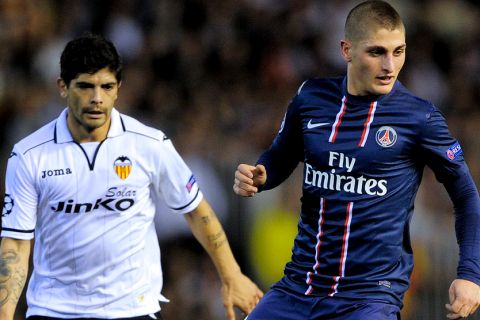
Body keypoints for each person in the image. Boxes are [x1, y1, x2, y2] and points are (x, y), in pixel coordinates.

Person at [233, 1, 480, 319]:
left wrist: (470, 274)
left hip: (369, 298)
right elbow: (281, 157)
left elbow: (466, 195)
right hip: (298, 287)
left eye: (399, 51)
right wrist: (261, 175)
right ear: (346, 49)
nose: (390, 65)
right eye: (377, 52)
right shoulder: (311, 98)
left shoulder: (420, 117)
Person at [0, 33, 263, 320]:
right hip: (54, 310)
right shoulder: (29, 155)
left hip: (133, 309)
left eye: (106, 87)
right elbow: (15, 242)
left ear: (118, 89)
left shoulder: (149, 144)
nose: (96, 98)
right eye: (85, 87)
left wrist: (232, 275)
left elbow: (196, 210)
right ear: (63, 87)